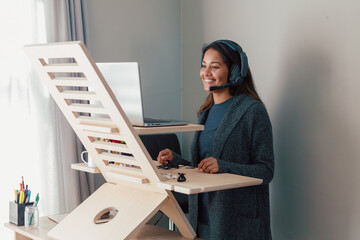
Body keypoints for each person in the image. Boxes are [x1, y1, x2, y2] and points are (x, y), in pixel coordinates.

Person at [157, 40, 274, 240]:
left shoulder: (253, 111)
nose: (206, 72)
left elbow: (266, 170)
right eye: (204, 66)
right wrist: (176, 161)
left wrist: (224, 166)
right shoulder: (205, 112)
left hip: (235, 223)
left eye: (215, 66)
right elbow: (204, 168)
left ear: (235, 71)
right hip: (200, 218)